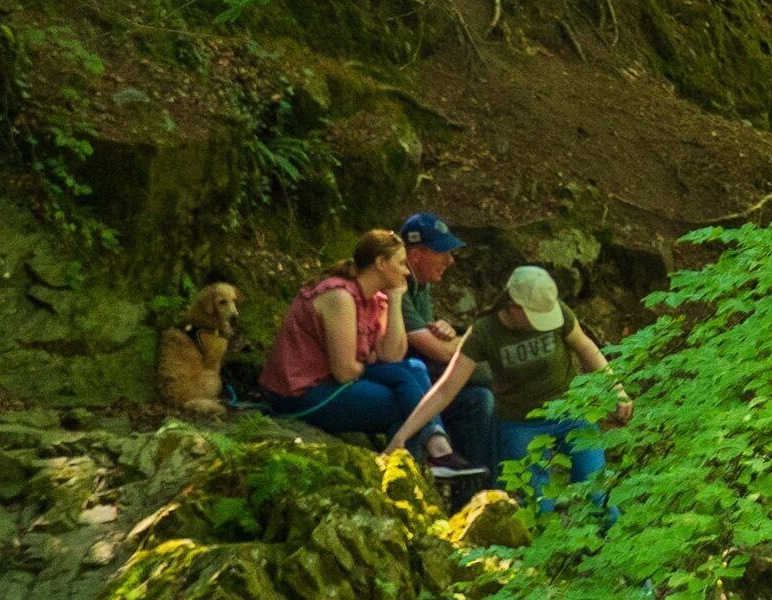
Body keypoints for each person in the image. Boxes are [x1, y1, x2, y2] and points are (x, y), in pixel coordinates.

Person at [261, 232, 451, 466]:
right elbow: (344, 371)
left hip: (337, 383)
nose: (407, 272)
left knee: (416, 367)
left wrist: (395, 299)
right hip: (300, 394)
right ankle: (417, 469)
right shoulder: (340, 296)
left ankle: (429, 456)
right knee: (402, 406)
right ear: (381, 263)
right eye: (401, 263)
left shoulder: (376, 299)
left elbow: (392, 355)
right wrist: (378, 367)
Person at [480, 265, 629, 527]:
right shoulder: (486, 331)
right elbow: (447, 386)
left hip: (571, 411)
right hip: (520, 422)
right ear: (514, 305)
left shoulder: (556, 311)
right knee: (537, 506)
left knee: (598, 494)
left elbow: (586, 347)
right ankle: (546, 560)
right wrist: (405, 434)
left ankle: (612, 553)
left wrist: (616, 389)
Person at [397, 213, 497, 483]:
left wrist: (448, 336)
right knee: (487, 372)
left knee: (481, 400)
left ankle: (474, 494)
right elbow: (439, 352)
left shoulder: (421, 286)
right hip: (403, 377)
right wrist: (463, 345)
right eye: (443, 252)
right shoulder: (397, 284)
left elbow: (436, 341)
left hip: (420, 374)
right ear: (416, 254)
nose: (451, 261)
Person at [156, 282, 238, 413]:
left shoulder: (192, 328)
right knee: (213, 378)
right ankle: (206, 400)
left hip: (175, 393)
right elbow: (211, 366)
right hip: (192, 391)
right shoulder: (207, 335)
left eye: (233, 301)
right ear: (209, 306)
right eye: (222, 303)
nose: (234, 311)